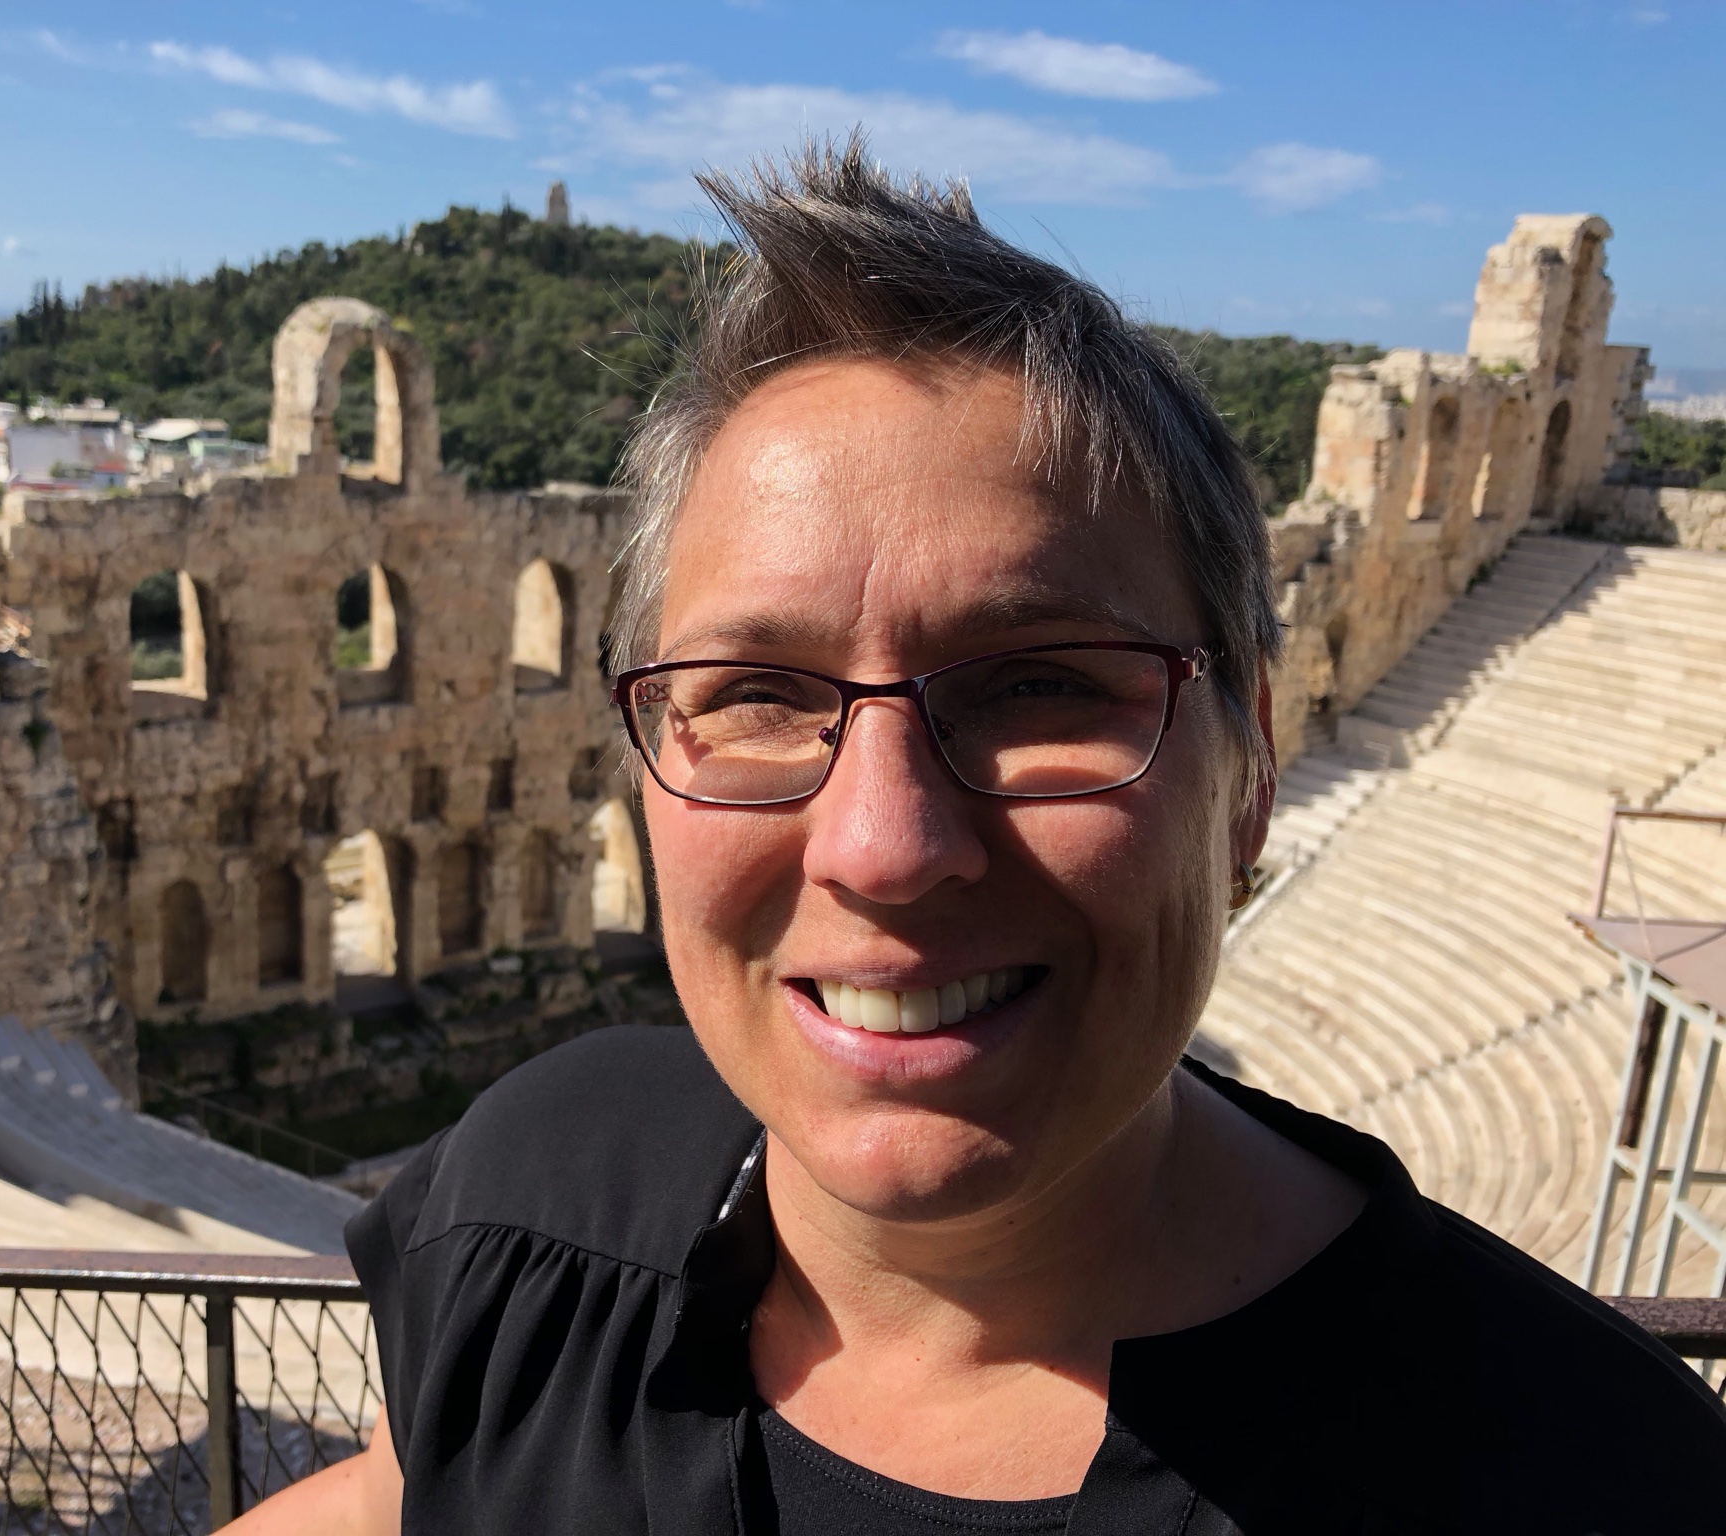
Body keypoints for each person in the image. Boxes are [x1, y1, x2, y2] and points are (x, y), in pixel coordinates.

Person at [230, 140, 1726, 1535]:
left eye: (1040, 685)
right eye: (755, 693)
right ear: (644, 761)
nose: (883, 845)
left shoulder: (1603, 1486)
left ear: (1249, 769)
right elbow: (406, 1495)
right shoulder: (529, 1200)